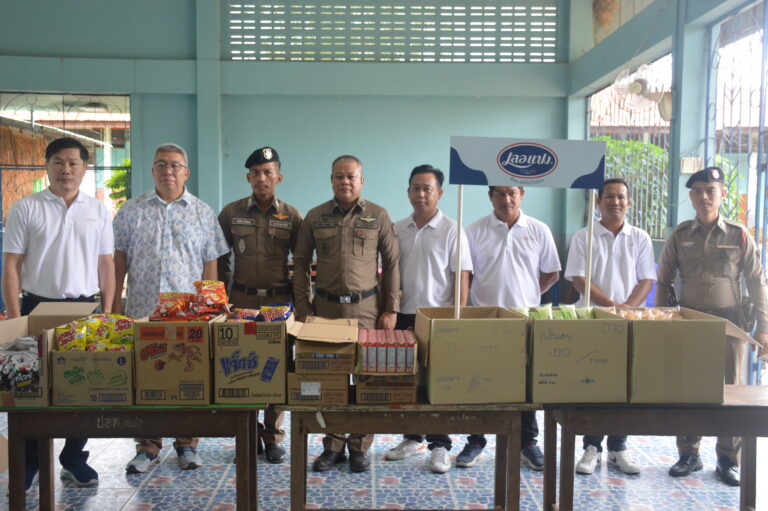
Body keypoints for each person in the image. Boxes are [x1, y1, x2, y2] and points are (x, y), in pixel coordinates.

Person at [2, 137, 115, 490]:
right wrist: (15, 316)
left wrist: (107, 312)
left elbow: (106, 264)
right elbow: (11, 266)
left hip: (86, 309)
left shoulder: (98, 210)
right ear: (47, 166)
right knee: (29, 389)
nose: (66, 169)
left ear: (84, 168)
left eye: (73, 163)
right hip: (36, 306)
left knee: (84, 389)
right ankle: (30, 463)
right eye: (58, 162)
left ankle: (73, 458)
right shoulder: (26, 207)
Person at [112, 143, 229, 473]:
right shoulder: (132, 210)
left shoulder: (202, 212)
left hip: (187, 313)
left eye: (175, 165)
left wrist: (210, 308)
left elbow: (210, 263)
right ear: (152, 170)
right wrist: (112, 305)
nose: (168, 171)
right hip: (142, 308)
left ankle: (187, 444)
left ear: (186, 172)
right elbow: (118, 258)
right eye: (161, 164)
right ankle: (147, 446)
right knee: (144, 377)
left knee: (187, 376)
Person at [656, 166, 768, 487]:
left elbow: (758, 282)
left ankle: (728, 459)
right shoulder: (679, 236)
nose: (704, 197)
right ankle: (689, 453)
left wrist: (763, 328)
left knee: (732, 390)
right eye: (698, 191)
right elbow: (663, 280)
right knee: (689, 386)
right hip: (689, 324)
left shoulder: (739, 235)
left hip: (731, 324)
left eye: (711, 190)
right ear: (691, 196)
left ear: (722, 194)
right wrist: (662, 322)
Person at [293, 154, 400, 473]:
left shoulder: (378, 216)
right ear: (331, 180)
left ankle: (360, 445)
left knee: (367, 378)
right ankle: (333, 445)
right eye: (339, 176)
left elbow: (392, 262)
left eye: (351, 176)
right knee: (330, 377)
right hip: (324, 309)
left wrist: (391, 307)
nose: (345, 181)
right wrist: (302, 305)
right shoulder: (315, 216)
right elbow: (299, 262)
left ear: (361, 181)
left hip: (367, 308)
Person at [384, 164, 472, 474]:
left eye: (427, 189)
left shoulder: (451, 229)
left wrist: (455, 320)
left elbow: (461, 279)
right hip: (405, 317)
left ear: (439, 193)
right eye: (415, 188)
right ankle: (412, 437)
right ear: (408, 191)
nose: (421, 194)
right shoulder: (397, 228)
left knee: (439, 383)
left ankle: (440, 445)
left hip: (439, 319)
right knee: (409, 381)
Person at [464, 185, 560, 470]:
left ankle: (527, 443)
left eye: (512, 193)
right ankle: (476, 440)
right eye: (499, 193)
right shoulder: (474, 230)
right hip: (485, 319)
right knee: (480, 378)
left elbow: (552, 272)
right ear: (490, 196)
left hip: (524, 318)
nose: (506, 199)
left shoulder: (539, 229)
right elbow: (466, 276)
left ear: (522, 195)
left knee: (525, 381)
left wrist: (529, 296)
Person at [564, 178, 655, 476]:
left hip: (629, 321)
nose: (615, 202)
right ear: (598, 201)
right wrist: (610, 308)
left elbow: (646, 279)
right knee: (594, 382)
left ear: (629, 202)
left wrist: (626, 309)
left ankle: (618, 447)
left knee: (625, 383)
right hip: (591, 321)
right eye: (609, 197)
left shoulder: (640, 237)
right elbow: (579, 279)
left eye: (621, 197)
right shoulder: (583, 237)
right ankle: (592, 448)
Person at [217, 146, 301, 464]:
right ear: (248, 177)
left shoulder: (292, 216)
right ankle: (248, 434)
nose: (262, 178)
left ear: (278, 177)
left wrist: (301, 304)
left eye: (268, 172)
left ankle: (274, 436)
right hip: (241, 301)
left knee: (277, 370)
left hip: (279, 303)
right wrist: (220, 299)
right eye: (256, 173)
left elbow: (303, 262)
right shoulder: (231, 213)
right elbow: (220, 259)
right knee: (243, 368)